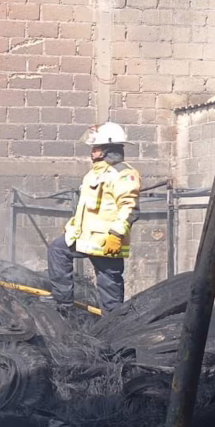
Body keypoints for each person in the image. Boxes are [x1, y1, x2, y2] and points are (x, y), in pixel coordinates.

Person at [48, 122, 142, 315]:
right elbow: (86, 208)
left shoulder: (124, 174)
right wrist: (71, 227)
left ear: (108, 148)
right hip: (87, 238)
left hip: (108, 241)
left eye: (96, 148)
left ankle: (114, 326)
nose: (92, 151)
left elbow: (129, 207)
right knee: (58, 250)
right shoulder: (94, 174)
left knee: (110, 289)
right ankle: (64, 305)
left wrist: (116, 235)